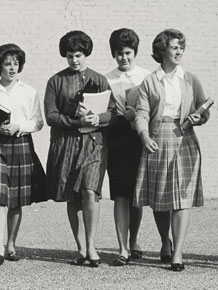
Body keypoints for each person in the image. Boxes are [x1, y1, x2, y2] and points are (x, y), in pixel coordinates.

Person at [133, 29, 210, 271]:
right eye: (174, 47)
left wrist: (200, 116)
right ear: (162, 50)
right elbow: (141, 113)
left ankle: (177, 253)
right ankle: (164, 243)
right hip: (158, 138)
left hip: (185, 138)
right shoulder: (150, 81)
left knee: (182, 199)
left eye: (181, 48)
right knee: (161, 199)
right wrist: (144, 135)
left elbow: (203, 108)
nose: (179, 52)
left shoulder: (190, 79)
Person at [44, 30, 117, 267]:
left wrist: (99, 119)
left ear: (86, 54)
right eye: (69, 56)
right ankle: (81, 248)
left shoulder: (99, 80)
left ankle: (92, 246)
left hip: (94, 144)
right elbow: (51, 116)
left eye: (78, 55)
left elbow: (113, 112)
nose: (74, 60)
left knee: (89, 191)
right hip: (65, 145)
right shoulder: (55, 81)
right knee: (72, 196)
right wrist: (76, 121)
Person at [0, 44, 46, 266]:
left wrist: (19, 126)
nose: (12, 68)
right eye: (7, 63)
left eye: (15, 63)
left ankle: (11, 245)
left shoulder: (29, 91)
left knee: (16, 201)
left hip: (21, 143)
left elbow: (38, 122)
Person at [105, 28, 150, 266]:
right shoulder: (106, 79)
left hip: (138, 137)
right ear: (114, 54)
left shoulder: (146, 76)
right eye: (119, 53)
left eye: (128, 53)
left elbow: (153, 109)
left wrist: (137, 114)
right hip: (116, 139)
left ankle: (134, 241)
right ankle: (122, 248)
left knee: (136, 196)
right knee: (120, 195)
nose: (124, 58)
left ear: (135, 52)